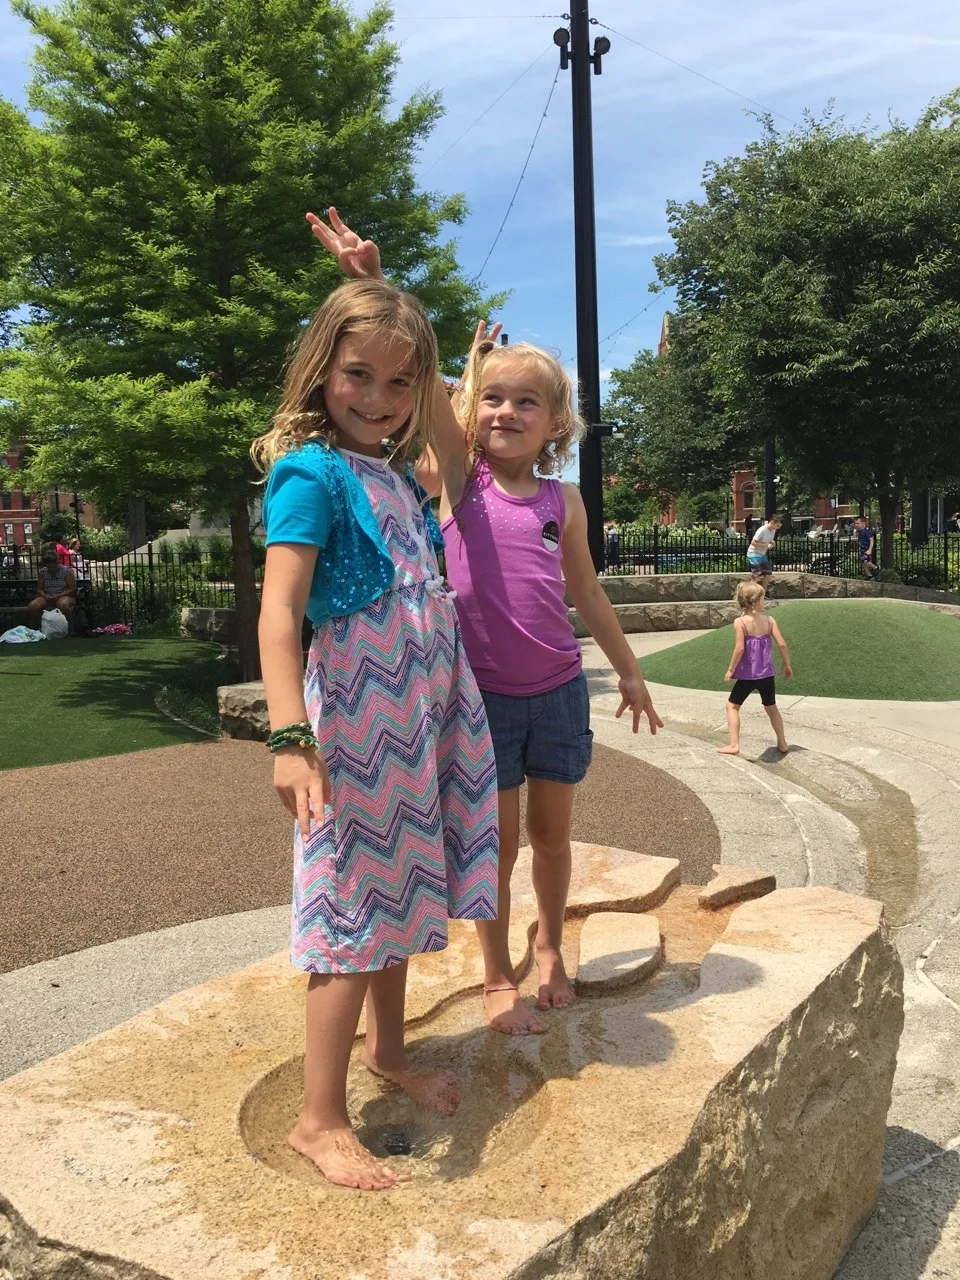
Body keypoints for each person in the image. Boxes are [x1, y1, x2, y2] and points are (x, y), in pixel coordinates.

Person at [253, 216, 499, 1191]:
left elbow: (462, 456)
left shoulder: (397, 476)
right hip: (359, 723)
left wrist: (394, 294)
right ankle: (319, 1118)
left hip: (424, 715)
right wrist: (289, 737)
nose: (381, 398)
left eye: (402, 382)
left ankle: (388, 1051)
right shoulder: (310, 472)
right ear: (322, 368)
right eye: (359, 375)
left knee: (402, 896)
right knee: (354, 910)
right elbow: (279, 615)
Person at [439, 327, 663, 1036]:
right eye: (492, 399)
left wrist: (629, 671)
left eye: (525, 402)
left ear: (555, 423)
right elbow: (431, 416)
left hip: (560, 691)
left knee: (552, 836)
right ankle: (496, 971)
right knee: (496, 847)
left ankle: (550, 946)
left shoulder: (562, 501)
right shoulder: (453, 478)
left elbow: (588, 594)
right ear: (472, 407)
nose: (505, 412)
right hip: (484, 699)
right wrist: (467, 368)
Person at [717, 581, 792, 757]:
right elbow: (781, 643)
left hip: (747, 675)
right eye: (762, 598)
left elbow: (739, 648)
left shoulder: (740, 623)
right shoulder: (769, 621)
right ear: (756, 601)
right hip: (766, 674)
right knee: (771, 707)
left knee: (732, 706)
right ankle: (782, 742)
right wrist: (787, 664)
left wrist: (730, 670)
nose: (764, 601)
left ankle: (734, 745)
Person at [28, 548, 76, 630]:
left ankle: (69, 627)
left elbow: (72, 588)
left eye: (52, 566)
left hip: (63, 594)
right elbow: (39, 588)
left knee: (63, 605)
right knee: (33, 606)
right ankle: (41, 626)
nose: (50, 568)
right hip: (47, 595)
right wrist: (45, 595)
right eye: (48, 566)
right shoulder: (43, 571)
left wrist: (58, 595)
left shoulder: (66, 571)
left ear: (56, 562)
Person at [746, 513, 782, 593]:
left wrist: (772, 543)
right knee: (757, 575)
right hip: (753, 554)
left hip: (762, 555)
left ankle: (763, 593)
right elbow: (753, 543)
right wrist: (766, 545)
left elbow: (770, 541)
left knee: (768, 572)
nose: (778, 528)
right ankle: (751, 593)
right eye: (777, 526)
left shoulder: (773, 531)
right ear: (772, 522)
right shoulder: (762, 530)